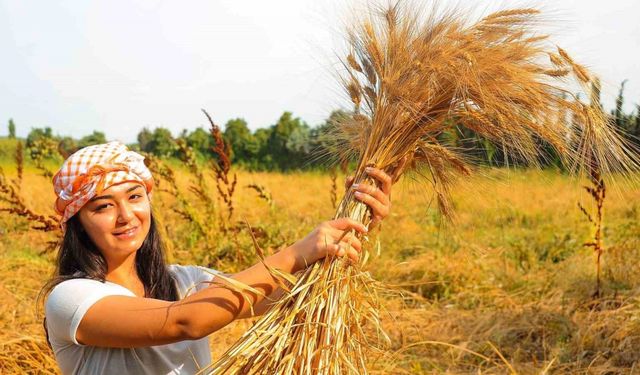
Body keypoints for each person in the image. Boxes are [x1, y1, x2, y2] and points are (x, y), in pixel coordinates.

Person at [41, 141, 394, 374]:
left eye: (134, 197)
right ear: (78, 223)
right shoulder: (71, 299)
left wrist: (354, 225)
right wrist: (298, 250)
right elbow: (184, 321)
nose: (126, 215)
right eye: (103, 206)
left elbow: (288, 293)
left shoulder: (184, 281)